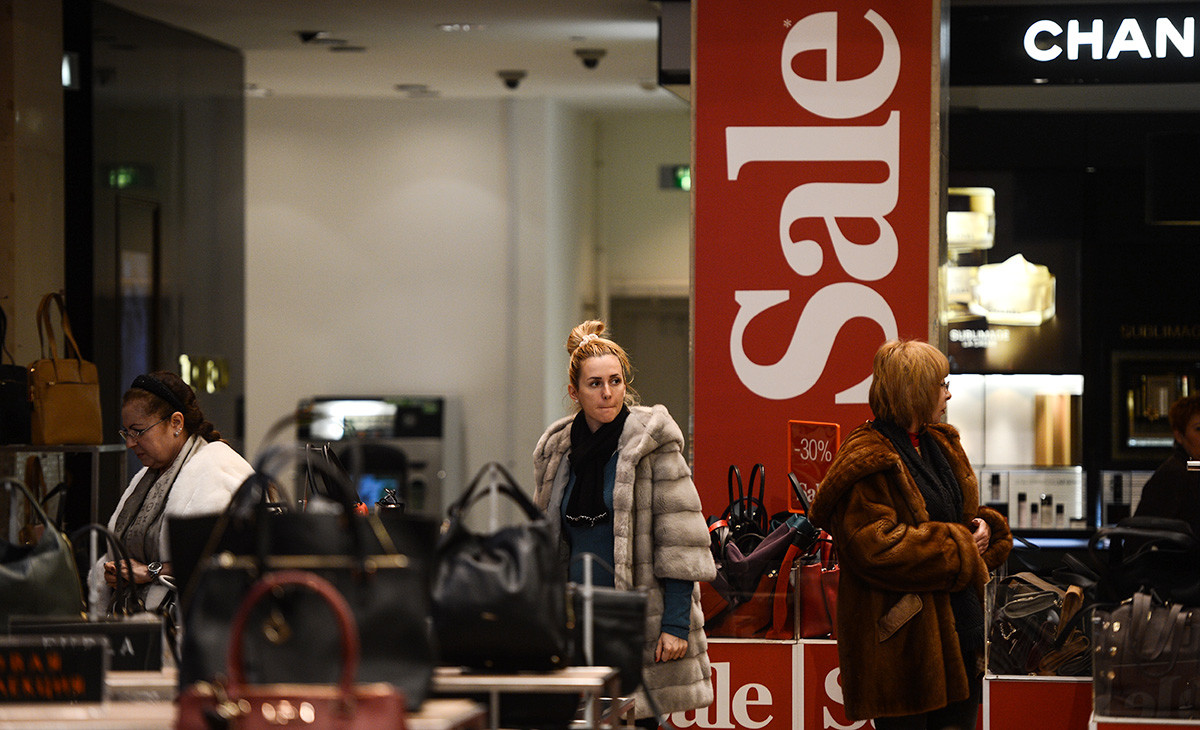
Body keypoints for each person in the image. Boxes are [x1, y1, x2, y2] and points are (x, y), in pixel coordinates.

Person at [808, 339, 1012, 729]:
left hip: (962, 639)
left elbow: (956, 515)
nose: (948, 393)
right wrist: (958, 545)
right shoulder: (868, 457)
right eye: (941, 384)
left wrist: (983, 527)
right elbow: (873, 547)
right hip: (906, 656)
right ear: (916, 391)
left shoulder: (940, 443)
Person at [533, 320, 716, 723]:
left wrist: (675, 623)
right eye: (595, 383)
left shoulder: (651, 445)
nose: (607, 392)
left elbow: (681, 543)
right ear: (574, 392)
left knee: (642, 719)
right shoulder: (557, 452)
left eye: (615, 380)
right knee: (584, 721)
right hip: (575, 618)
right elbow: (546, 543)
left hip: (638, 617)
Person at [87, 371, 254, 616]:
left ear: (176, 423)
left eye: (138, 431)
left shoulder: (219, 469)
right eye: (126, 433)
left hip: (183, 628)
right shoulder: (150, 476)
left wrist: (149, 572)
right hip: (133, 626)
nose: (130, 443)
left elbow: (230, 561)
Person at [1134, 394, 1200, 536]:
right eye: (1199, 429)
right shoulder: (1175, 472)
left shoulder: (1192, 466)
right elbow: (1140, 539)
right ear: (1179, 435)